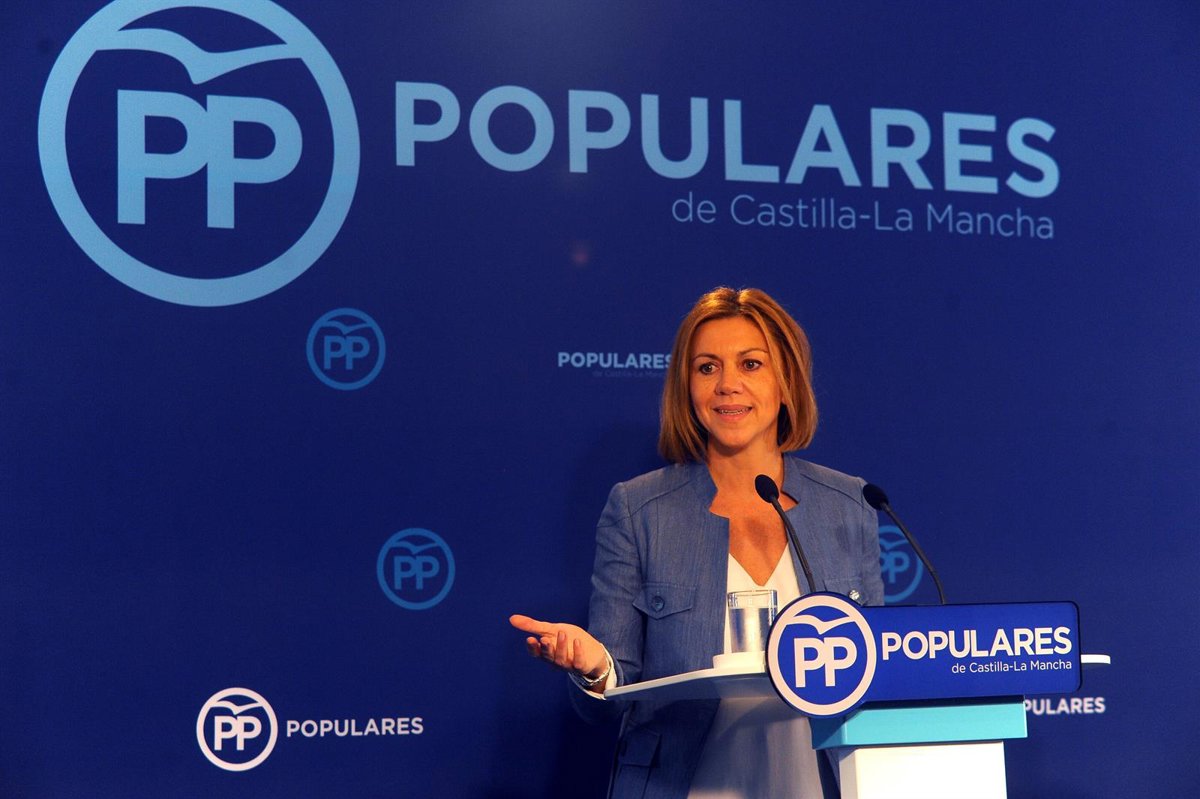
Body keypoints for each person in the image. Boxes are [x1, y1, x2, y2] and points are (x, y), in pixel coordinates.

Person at [511, 287, 883, 799]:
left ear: (787, 382)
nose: (728, 385)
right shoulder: (639, 509)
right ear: (686, 388)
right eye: (707, 368)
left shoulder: (849, 503)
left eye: (751, 364)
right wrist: (593, 668)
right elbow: (607, 698)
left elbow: (878, 676)